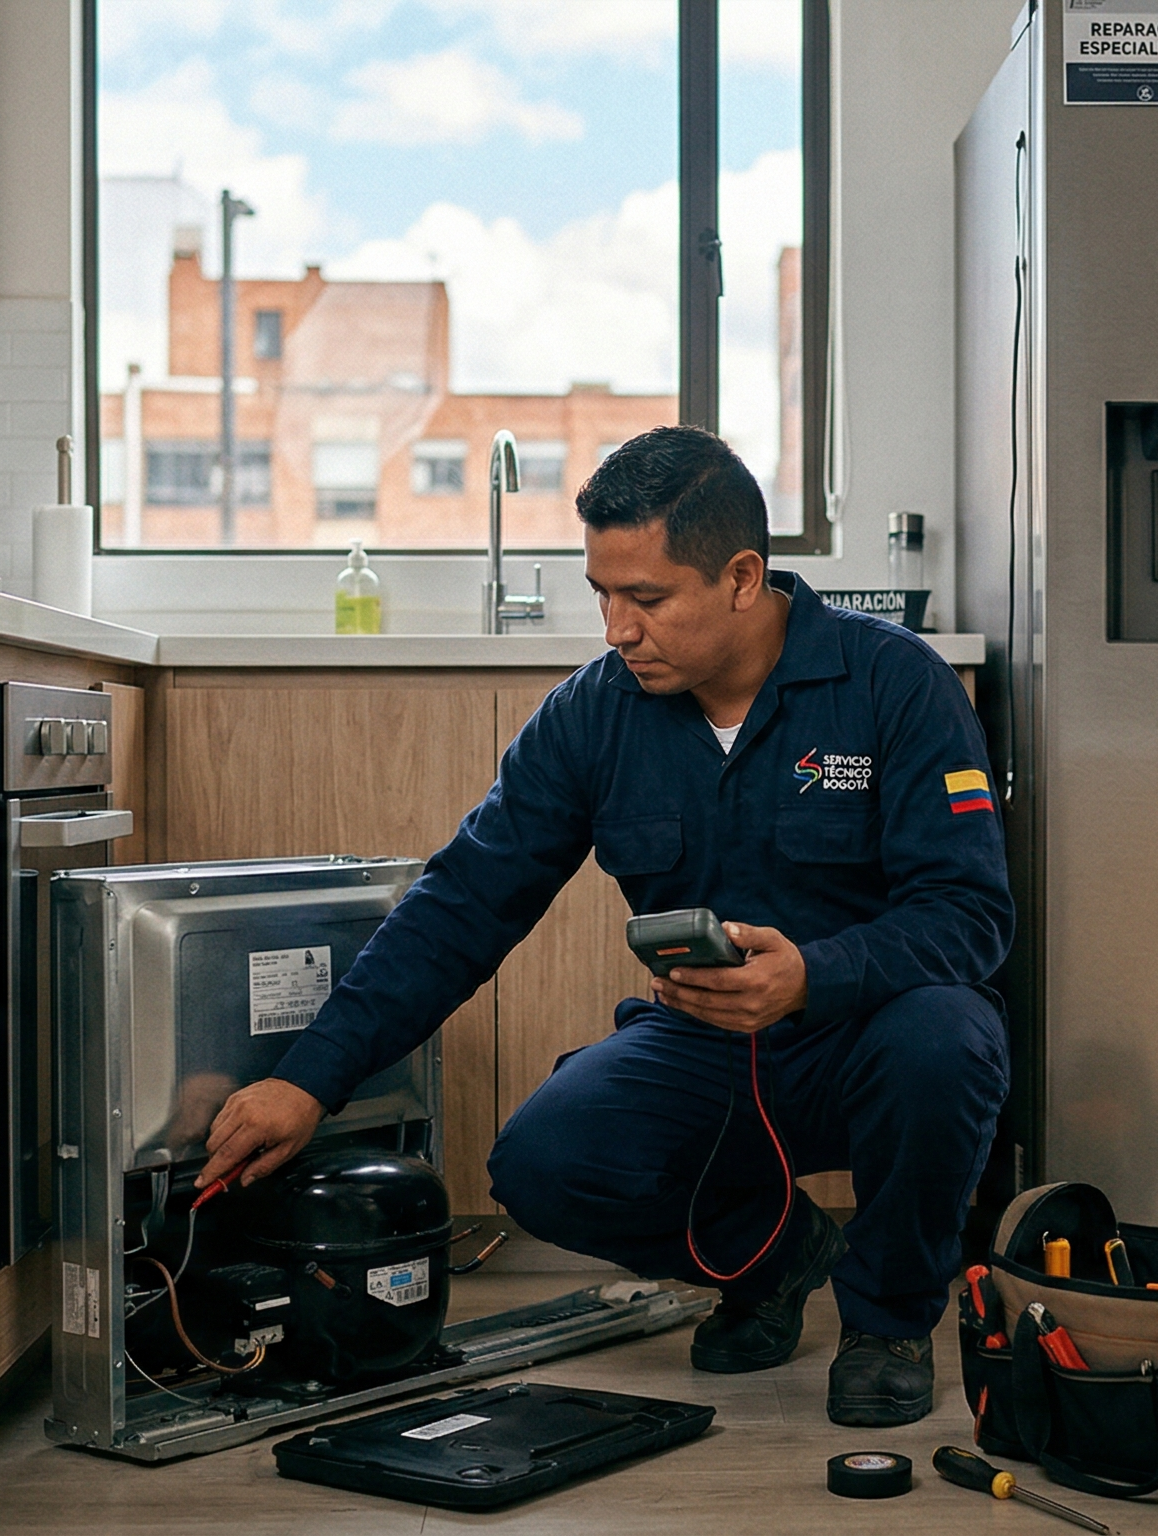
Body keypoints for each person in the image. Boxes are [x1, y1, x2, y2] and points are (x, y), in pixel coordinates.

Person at [196, 424, 1012, 1428]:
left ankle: (887, 1322)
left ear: (743, 577)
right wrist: (308, 1078)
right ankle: (773, 1256)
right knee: (542, 1162)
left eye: (648, 598)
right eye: (603, 595)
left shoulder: (895, 685)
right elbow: (460, 907)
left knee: (950, 1039)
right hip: (707, 1048)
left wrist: (812, 974)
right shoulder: (592, 715)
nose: (618, 628)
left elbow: (970, 917)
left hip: (871, 1038)